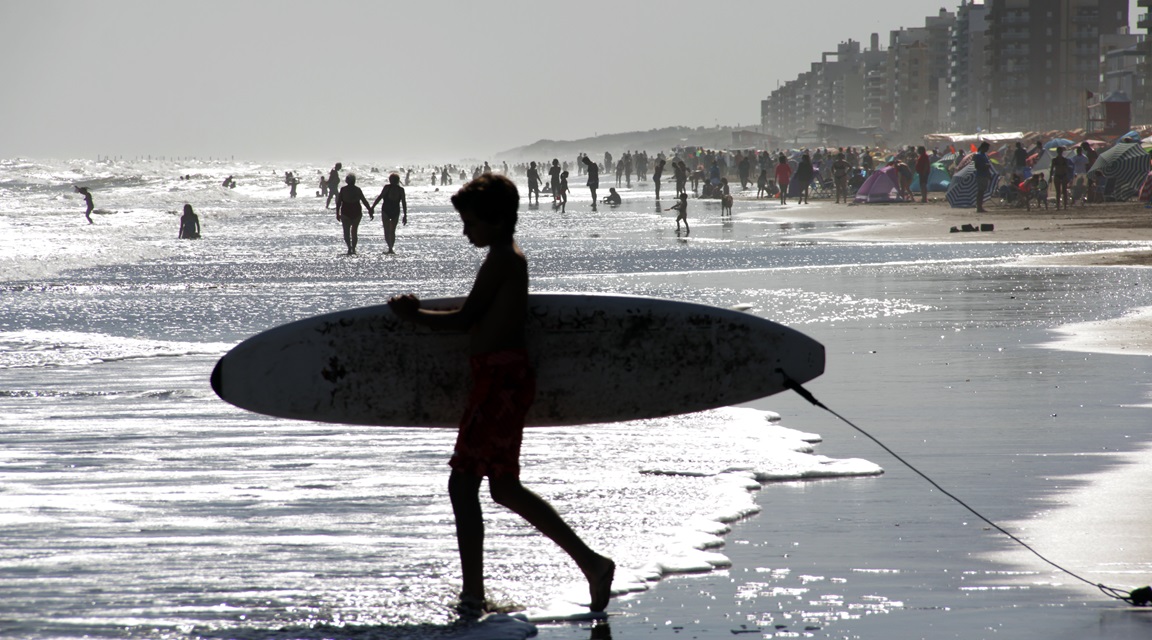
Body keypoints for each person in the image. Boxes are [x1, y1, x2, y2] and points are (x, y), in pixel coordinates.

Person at [386, 174, 615, 617]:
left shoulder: (503, 261)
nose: (465, 230)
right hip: (500, 378)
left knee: (465, 484)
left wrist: (413, 315)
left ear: (493, 220)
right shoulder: (504, 257)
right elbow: (476, 316)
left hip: (499, 382)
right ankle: (592, 564)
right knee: (503, 488)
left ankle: (475, 593)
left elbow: (465, 319)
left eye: (469, 222)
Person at [335, 174, 372, 255]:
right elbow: (364, 201)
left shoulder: (343, 189)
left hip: (346, 212)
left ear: (347, 181)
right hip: (356, 212)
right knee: (354, 232)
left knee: (346, 232)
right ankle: (353, 249)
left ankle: (349, 248)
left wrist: (337, 213)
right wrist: (370, 210)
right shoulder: (357, 189)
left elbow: (339, 203)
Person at [372, 173, 408, 254]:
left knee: (387, 230)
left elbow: (380, 197)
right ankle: (391, 248)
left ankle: (390, 248)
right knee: (392, 231)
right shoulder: (400, 190)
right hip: (395, 210)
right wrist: (405, 215)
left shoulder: (387, 188)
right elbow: (404, 203)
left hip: (386, 210)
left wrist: (372, 207)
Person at [973, 141, 992, 213]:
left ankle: (980, 206)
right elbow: (977, 166)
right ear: (983, 147)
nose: (987, 149)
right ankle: (979, 207)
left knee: (982, 191)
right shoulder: (979, 155)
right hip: (981, 175)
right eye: (987, 148)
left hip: (984, 175)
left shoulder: (984, 155)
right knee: (980, 191)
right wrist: (985, 166)